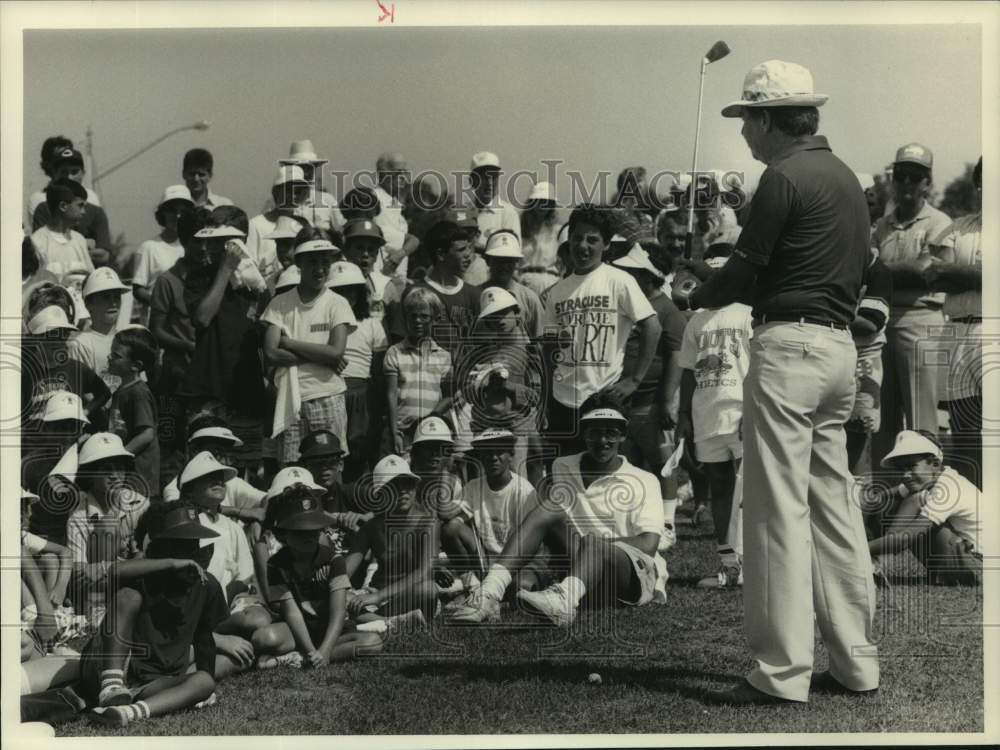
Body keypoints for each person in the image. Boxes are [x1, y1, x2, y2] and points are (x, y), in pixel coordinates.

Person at [687, 59, 878, 704]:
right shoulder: (848, 178)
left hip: (788, 347)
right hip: (838, 350)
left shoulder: (781, 176)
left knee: (773, 513)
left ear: (770, 119)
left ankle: (779, 674)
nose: (744, 133)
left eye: (747, 120)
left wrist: (695, 290)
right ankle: (857, 666)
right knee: (834, 507)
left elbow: (742, 273)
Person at [448, 395, 667, 626]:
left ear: (623, 434)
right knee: (550, 507)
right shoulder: (562, 466)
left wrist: (594, 546)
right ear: (583, 433)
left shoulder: (645, 479)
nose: (602, 440)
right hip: (581, 570)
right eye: (594, 432)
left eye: (611, 432)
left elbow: (648, 545)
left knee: (593, 543)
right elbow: (544, 525)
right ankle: (489, 593)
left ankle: (564, 600)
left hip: (631, 577)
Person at [79, 503, 225, 728]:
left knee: (204, 681)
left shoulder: (207, 585)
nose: (191, 554)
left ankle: (127, 713)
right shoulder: (145, 573)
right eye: (180, 546)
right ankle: (111, 687)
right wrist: (170, 565)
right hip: (110, 668)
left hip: (151, 682)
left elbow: (204, 639)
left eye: (194, 544)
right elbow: (113, 572)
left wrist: (207, 689)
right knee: (129, 596)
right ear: (161, 547)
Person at [541, 204, 661, 463]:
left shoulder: (619, 281)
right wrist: (548, 394)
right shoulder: (556, 292)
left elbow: (653, 326)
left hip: (604, 395)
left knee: (606, 472)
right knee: (565, 471)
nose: (583, 246)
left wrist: (634, 380)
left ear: (606, 244)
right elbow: (549, 346)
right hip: (564, 399)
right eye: (577, 238)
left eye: (592, 239)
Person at [870, 143, 952, 469]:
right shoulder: (882, 225)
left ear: (927, 183)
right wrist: (898, 271)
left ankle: (927, 508)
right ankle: (884, 508)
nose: (907, 184)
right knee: (882, 422)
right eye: (901, 176)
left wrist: (882, 272)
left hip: (922, 320)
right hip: (885, 321)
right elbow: (871, 271)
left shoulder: (940, 221)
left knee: (922, 422)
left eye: (915, 178)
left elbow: (926, 272)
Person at [675, 245, 752, 585]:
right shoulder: (697, 320)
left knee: (747, 491)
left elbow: (759, 368)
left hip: (741, 411)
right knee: (719, 488)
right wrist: (683, 415)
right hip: (707, 414)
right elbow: (689, 372)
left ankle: (753, 562)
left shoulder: (749, 313)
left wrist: (752, 410)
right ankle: (729, 564)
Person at [249, 484, 384, 668]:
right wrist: (311, 650)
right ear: (284, 534)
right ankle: (307, 654)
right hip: (298, 630)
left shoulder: (333, 560)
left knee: (373, 642)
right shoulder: (276, 565)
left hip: (330, 629)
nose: (308, 536)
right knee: (262, 638)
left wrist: (325, 651)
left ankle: (297, 659)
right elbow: (292, 613)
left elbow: (338, 611)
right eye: (300, 531)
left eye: (313, 529)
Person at [611, 242, 687, 550]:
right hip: (628, 402)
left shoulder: (667, 310)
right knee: (632, 461)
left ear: (648, 275)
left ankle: (668, 523)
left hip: (652, 402)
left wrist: (667, 400)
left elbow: (676, 355)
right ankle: (643, 520)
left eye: (633, 271)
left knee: (663, 461)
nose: (626, 275)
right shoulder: (631, 303)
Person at [261, 238, 356, 465]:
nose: (320, 269)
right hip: (290, 398)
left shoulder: (337, 303)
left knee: (331, 466)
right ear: (299, 265)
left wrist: (290, 343)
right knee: (292, 467)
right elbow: (271, 354)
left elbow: (335, 352)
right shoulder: (279, 303)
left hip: (327, 395)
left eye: (325, 262)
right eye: (313, 262)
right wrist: (320, 356)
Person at [168, 452, 273, 639]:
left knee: (259, 620)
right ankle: (209, 635)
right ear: (190, 489)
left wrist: (234, 597)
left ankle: (215, 635)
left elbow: (245, 576)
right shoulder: (182, 524)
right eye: (209, 478)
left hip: (231, 602)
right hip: (196, 604)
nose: (219, 482)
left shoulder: (233, 527)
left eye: (221, 478)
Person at [928, 156, 982, 487]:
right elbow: (933, 274)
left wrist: (955, 273)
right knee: (964, 434)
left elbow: (946, 271)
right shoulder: (959, 226)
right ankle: (974, 517)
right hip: (957, 329)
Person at [440, 429, 542, 606]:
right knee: (450, 528)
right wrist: (445, 471)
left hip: (513, 562)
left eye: (499, 451)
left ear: (511, 455)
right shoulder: (473, 487)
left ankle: (493, 595)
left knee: (522, 588)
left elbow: (532, 543)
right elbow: (448, 517)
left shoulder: (524, 490)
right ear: (479, 457)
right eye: (487, 452)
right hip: (483, 561)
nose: (493, 457)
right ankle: (472, 587)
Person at [867, 430, 981, 586]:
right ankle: (878, 562)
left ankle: (877, 562)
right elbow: (882, 497)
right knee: (903, 500)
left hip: (978, 568)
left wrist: (858, 548)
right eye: (901, 469)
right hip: (968, 561)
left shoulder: (949, 488)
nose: (905, 475)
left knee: (915, 500)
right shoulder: (933, 478)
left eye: (911, 466)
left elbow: (905, 538)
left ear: (934, 464)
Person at [343, 455, 441, 625]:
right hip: (377, 591)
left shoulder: (428, 523)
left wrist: (378, 597)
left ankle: (371, 621)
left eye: (407, 484)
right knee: (339, 596)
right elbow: (343, 573)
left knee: (428, 589)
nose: (403, 490)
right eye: (394, 486)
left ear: (415, 488)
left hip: (409, 594)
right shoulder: (371, 527)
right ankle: (389, 622)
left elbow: (424, 572)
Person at [149, 207, 209, 465]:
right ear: (185, 241)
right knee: (173, 448)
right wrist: (187, 344)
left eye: (209, 240)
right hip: (176, 376)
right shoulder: (167, 281)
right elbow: (156, 330)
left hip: (210, 377)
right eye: (197, 240)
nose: (204, 248)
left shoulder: (216, 278)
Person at [66, 433, 150, 615]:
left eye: (119, 468)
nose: (114, 476)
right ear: (90, 475)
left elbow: (153, 554)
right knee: (107, 526)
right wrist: (124, 567)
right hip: (98, 591)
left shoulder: (139, 504)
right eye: (105, 469)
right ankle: (97, 615)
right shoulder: (79, 517)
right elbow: (78, 575)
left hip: (133, 581)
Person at [326, 260, 389, 481]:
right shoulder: (324, 323)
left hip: (361, 392)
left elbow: (379, 369)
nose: (346, 297)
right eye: (339, 291)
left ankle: (354, 496)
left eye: (351, 291)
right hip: (331, 391)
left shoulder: (371, 324)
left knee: (359, 446)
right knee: (332, 448)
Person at [387, 217, 481, 354]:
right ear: (441, 254)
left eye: (468, 248)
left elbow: (481, 346)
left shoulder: (474, 295)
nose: (468, 255)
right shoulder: (414, 293)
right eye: (461, 250)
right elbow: (398, 345)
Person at [383, 287, 453, 456]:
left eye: (424, 316)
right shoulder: (395, 352)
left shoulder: (444, 356)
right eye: (413, 316)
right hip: (403, 430)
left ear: (434, 319)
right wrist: (395, 433)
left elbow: (448, 396)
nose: (418, 321)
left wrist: (432, 417)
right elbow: (391, 394)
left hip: (431, 431)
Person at [22, 304, 111, 427]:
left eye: (63, 335)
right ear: (37, 339)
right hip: (37, 441)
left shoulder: (75, 368)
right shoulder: (25, 373)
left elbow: (103, 393)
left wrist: (84, 412)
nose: (58, 341)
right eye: (51, 335)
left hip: (69, 439)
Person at [846, 249, 893, 476]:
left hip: (863, 356)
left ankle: (859, 508)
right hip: (825, 349)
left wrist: (824, 310)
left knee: (859, 429)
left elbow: (870, 323)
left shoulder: (874, 266)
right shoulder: (822, 252)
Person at [31, 148, 112, 267]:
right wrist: (85, 245)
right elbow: (40, 248)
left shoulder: (96, 212)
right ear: (55, 174)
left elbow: (104, 256)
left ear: (83, 173)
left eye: (74, 172)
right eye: (63, 172)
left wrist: (73, 247)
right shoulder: (43, 209)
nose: (69, 177)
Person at [107, 327, 161, 500]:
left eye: (116, 356)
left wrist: (119, 456)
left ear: (135, 366)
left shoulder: (138, 393)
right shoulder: (122, 390)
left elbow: (147, 434)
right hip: (126, 475)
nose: (109, 358)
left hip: (138, 477)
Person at [131, 185, 194, 316]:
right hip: (158, 319)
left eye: (183, 211)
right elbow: (138, 289)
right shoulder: (149, 247)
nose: (177, 216)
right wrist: (162, 305)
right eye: (172, 210)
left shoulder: (195, 246)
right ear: (162, 213)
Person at [66, 267, 132, 394]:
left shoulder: (128, 337)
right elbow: (81, 391)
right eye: (106, 297)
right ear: (88, 304)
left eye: (117, 297)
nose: (113, 303)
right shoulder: (80, 344)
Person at [261, 140, 345, 236]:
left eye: (310, 168)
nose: (306, 173)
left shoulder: (328, 200)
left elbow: (341, 232)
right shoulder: (275, 201)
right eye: (301, 168)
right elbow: (264, 228)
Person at [246, 165, 313, 279]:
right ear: (276, 192)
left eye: (298, 191)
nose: (292, 195)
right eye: (287, 190)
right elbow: (249, 268)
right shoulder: (255, 225)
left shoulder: (304, 224)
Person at [481, 229, 545, 340]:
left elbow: (541, 340)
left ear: (517, 261)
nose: (504, 266)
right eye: (499, 260)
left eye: (509, 260)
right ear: (487, 260)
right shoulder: (475, 295)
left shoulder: (529, 298)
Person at [30, 179, 95, 279]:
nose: (84, 212)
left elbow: (92, 279)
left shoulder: (80, 240)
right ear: (63, 206)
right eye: (80, 205)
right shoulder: (37, 242)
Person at [373, 151, 419, 278]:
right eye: (399, 172)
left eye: (405, 172)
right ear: (383, 175)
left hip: (397, 281)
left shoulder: (396, 205)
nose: (404, 177)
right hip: (379, 280)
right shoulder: (373, 200)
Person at [518, 181, 566, 296]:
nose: (543, 205)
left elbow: (565, 262)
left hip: (549, 281)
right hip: (524, 280)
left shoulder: (558, 230)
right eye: (539, 201)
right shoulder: (520, 229)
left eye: (547, 202)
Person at [466, 151, 521, 252]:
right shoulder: (462, 212)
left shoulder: (508, 213)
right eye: (484, 177)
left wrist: (476, 247)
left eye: (494, 176)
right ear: (472, 181)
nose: (489, 182)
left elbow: (511, 252)